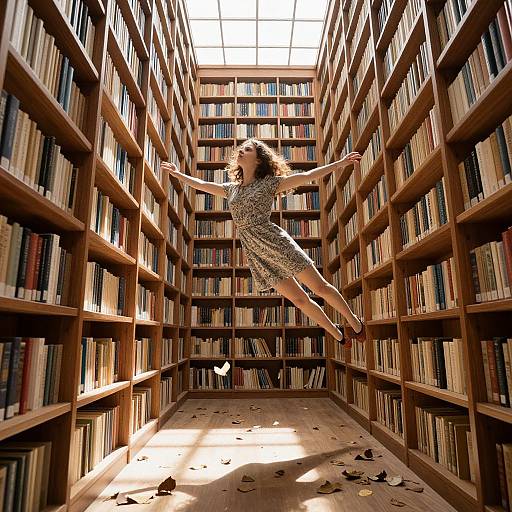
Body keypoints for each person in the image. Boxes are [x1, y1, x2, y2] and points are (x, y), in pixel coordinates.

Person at [161, 138, 365, 347]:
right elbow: (202, 185)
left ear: (259, 160)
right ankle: (338, 334)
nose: (240, 151)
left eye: (247, 149)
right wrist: (178, 174)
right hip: (255, 252)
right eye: (240, 148)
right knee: (299, 300)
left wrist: (339, 164)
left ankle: (355, 322)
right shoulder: (231, 189)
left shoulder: (269, 184)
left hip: (276, 243)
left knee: (320, 287)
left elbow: (306, 176)